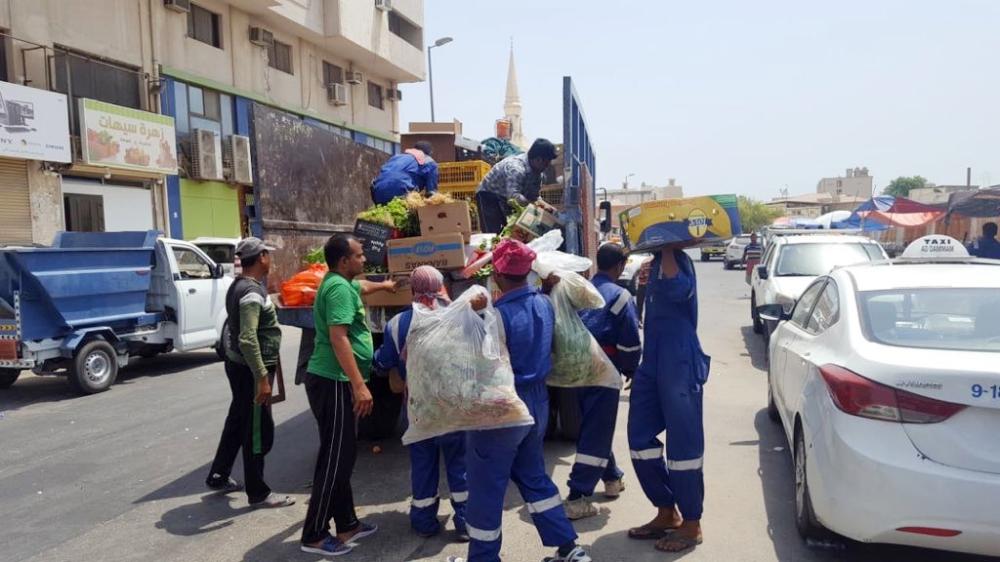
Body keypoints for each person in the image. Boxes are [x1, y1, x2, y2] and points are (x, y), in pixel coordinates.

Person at [449, 239, 590, 562]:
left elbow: (482, 364)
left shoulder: (498, 316)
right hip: (537, 403)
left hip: (504, 407)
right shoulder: (543, 304)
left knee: (486, 486)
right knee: (533, 476)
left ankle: (483, 558)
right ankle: (570, 549)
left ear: (497, 274)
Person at [300, 234, 396, 557]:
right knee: (334, 458)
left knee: (343, 455)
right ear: (344, 261)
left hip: (336, 380)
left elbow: (363, 287)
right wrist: (359, 384)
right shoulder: (338, 288)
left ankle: (347, 523)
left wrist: (386, 285)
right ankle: (314, 533)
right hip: (334, 381)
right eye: (358, 256)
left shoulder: (342, 282)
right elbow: (338, 338)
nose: (364, 259)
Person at [374, 266, 474, 541]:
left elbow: (383, 362)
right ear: (441, 286)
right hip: (455, 407)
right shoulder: (459, 318)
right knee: (460, 466)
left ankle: (424, 520)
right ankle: (466, 523)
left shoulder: (398, 324)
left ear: (413, 289)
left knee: (423, 465)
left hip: (419, 410)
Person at [626, 245, 710, 554]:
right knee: (639, 439)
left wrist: (669, 249)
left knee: (684, 446)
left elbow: (679, 290)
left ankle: (691, 522)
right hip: (653, 358)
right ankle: (665, 511)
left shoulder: (679, 260)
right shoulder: (655, 263)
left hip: (679, 359)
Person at [206, 237, 295, 509]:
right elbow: (247, 338)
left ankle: (219, 474)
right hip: (250, 371)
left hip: (237, 365)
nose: (271, 259)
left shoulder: (239, 285)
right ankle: (258, 492)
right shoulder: (252, 293)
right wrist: (261, 377)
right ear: (261, 258)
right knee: (256, 431)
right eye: (268, 254)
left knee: (237, 419)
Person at [563, 243, 641, 520]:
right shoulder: (620, 295)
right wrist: (631, 369)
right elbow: (629, 341)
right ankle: (577, 496)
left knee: (594, 425)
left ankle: (612, 478)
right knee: (596, 431)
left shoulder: (582, 290)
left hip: (576, 370)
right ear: (620, 266)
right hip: (604, 371)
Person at [474, 138, 558, 234]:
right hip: (488, 195)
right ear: (538, 159)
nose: (546, 167)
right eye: (546, 163)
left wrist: (550, 209)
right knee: (493, 233)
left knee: (510, 231)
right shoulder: (516, 168)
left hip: (505, 197)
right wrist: (534, 206)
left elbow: (534, 197)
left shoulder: (538, 174)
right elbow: (513, 196)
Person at [371, 140, 439, 204]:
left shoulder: (396, 157)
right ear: (429, 153)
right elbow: (431, 193)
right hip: (401, 191)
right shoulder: (429, 161)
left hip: (378, 191)